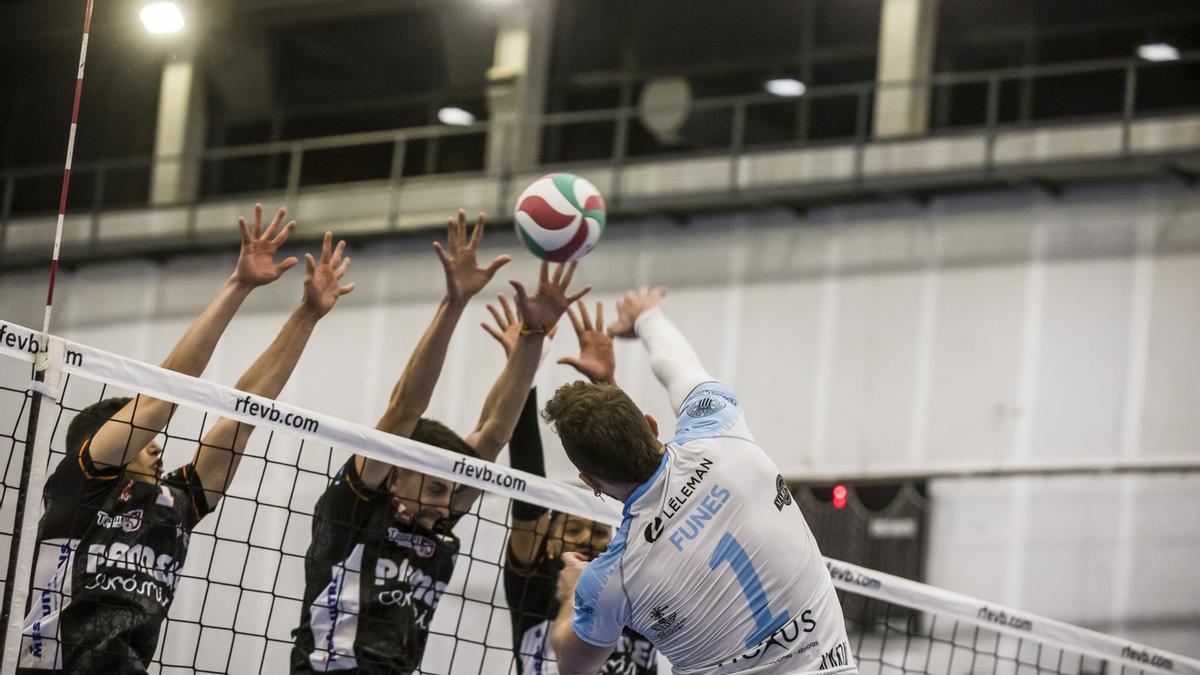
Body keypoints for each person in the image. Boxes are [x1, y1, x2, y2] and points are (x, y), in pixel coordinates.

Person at [19, 205, 354, 673]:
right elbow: (163, 395)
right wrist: (238, 286)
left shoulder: (173, 505)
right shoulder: (83, 481)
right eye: (143, 439)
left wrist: (307, 316)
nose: (156, 445)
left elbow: (242, 416)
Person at [292, 210, 590, 674]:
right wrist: (454, 303)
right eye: (434, 489)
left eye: (450, 491)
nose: (447, 503)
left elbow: (494, 433)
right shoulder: (355, 511)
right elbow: (404, 410)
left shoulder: (438, 520)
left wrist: (533, 339)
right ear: (393, 474)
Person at [545, 288, 857, 675]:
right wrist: (647, 315)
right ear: (650, 424)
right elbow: (676, 364)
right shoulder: (722, 430)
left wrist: (572, 596)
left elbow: (573, 666)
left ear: (589, 480)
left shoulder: (613, 578)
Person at [481, 298, 658, 675]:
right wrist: (524, 368)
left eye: (595, 530)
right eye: (572, 528)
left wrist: (605, 384)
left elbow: (633, 466)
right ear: (548, 540)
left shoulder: (632, 578)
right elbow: (528, 490)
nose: (585, 538)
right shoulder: (535, 584)